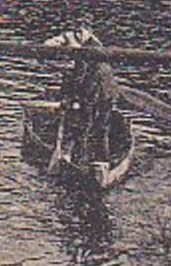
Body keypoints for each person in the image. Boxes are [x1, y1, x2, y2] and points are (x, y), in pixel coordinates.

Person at [44, 25, 120, 164]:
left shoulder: (87, 55)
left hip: (97, 91)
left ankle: (84, 160)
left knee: (85, 127)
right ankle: (98, 159)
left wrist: (70, 99)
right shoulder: (94, 46)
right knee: (98, 127)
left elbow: (80, 81)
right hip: (104, 91)